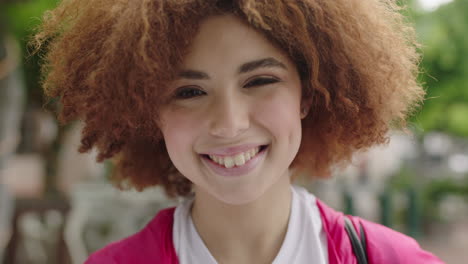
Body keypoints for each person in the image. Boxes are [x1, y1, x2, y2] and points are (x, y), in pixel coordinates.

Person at [33, 0, 444, 263]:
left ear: (307, 94)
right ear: (147, 112)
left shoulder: (390, 258)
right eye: (189, 91)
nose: (230, 123)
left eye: (259, 81)